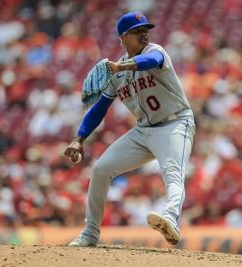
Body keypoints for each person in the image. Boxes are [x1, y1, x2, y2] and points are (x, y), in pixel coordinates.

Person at [64, 12, 195, 247]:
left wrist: (119, 66)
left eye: (145, 29)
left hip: (175, 123)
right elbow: (99, 109)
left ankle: (171, 220)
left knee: (173, 172)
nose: (144, 34)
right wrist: (79, 139)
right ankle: (90, 233)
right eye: (137, 31)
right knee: (101, 169)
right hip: (143, 130)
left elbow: (150, 62)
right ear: (122, 38)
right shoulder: (117, 73)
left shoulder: (155, 51)